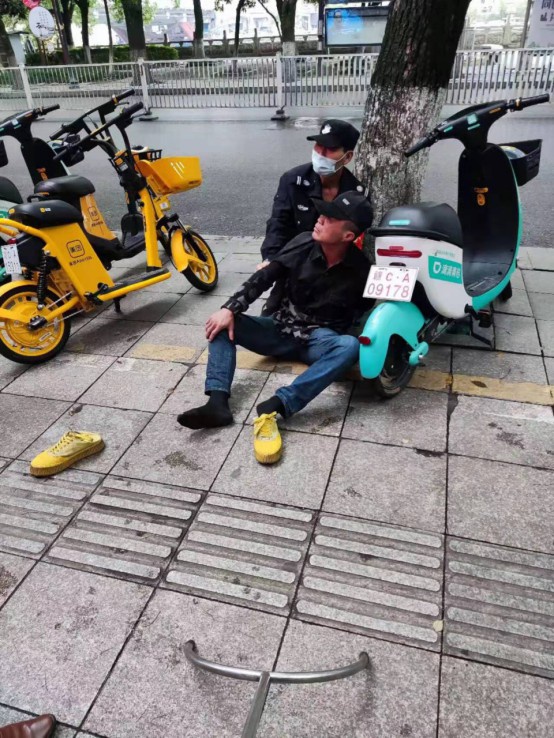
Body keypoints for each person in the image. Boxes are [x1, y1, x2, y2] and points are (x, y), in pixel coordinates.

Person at [177, 190, 374, 465]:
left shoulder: (363, 270)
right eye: (323, 213)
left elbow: (370, 312)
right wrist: (229, 308)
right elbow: (264, 277)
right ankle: (217, 404)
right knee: (221, 324)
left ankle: (279, 403)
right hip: (280, 329)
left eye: (330, 218)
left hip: (319, 341)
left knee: (349, 347)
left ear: (348, 236)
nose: (320, 219)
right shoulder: (303, 242)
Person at [260, 118, 370, 314]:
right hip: (293, 265)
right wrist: (270, 259)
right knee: (270, 316)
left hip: (333, 272)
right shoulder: (293, 180)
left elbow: (354, 241)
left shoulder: (356, 193)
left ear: (347, 157)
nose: (321, 153)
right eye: (318, 145)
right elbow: (278, 223)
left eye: (330, 149)